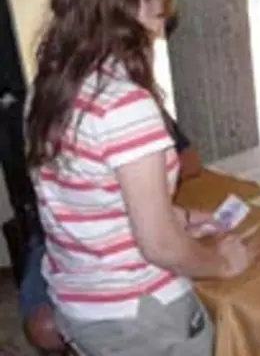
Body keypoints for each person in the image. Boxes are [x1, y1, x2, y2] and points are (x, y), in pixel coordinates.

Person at [24, 0, 260, 355]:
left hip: (81, 303)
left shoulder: (50, 89)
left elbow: (91, 202)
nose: (162, 15)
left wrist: (181, 216)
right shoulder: (124, 104)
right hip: (141, 313)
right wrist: (223, 262)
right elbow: (160, 245)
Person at [19, 115, 201, 354]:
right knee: (45, 326)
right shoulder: (56, 107)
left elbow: (192, 160)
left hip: (128, 234)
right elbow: (157, 245)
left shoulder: (137, 108)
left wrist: (146, 178)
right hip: (61, 243)